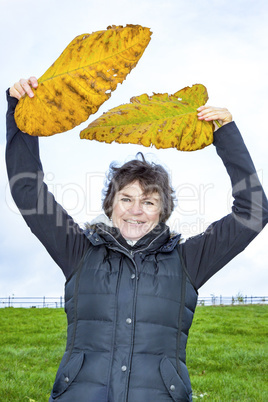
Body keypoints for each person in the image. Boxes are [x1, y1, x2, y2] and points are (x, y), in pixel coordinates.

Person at [6, 77, 268, 402]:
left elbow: (254, 212)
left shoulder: (186, 262)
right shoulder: (79, 252)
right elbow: (28, 191)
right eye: (126, 199)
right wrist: (22, 115)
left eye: (149, 201)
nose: (136, 211)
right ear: (110, 206)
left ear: (162, 210)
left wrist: (226, 135)